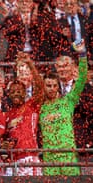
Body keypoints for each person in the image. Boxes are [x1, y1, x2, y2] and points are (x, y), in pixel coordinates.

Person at [39, 44, 87, 176]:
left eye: (54, 85)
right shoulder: (40, 108)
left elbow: (82, 78)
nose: (52, 88)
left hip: (68, 158)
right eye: (48, 85)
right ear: (43, 87)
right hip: (49, 160)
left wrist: (82, 54)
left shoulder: (68, 101)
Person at [2, 55, 44, 176]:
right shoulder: (7, 115)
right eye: (13, 92)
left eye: (19, 91)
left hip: (30, 157)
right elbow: (4, 138)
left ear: (24, 93)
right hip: (13, 160)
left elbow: (40, 87)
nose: (16, 94)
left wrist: (30, 64)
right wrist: (5, 145)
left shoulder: (31, 106)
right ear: (8, 94)